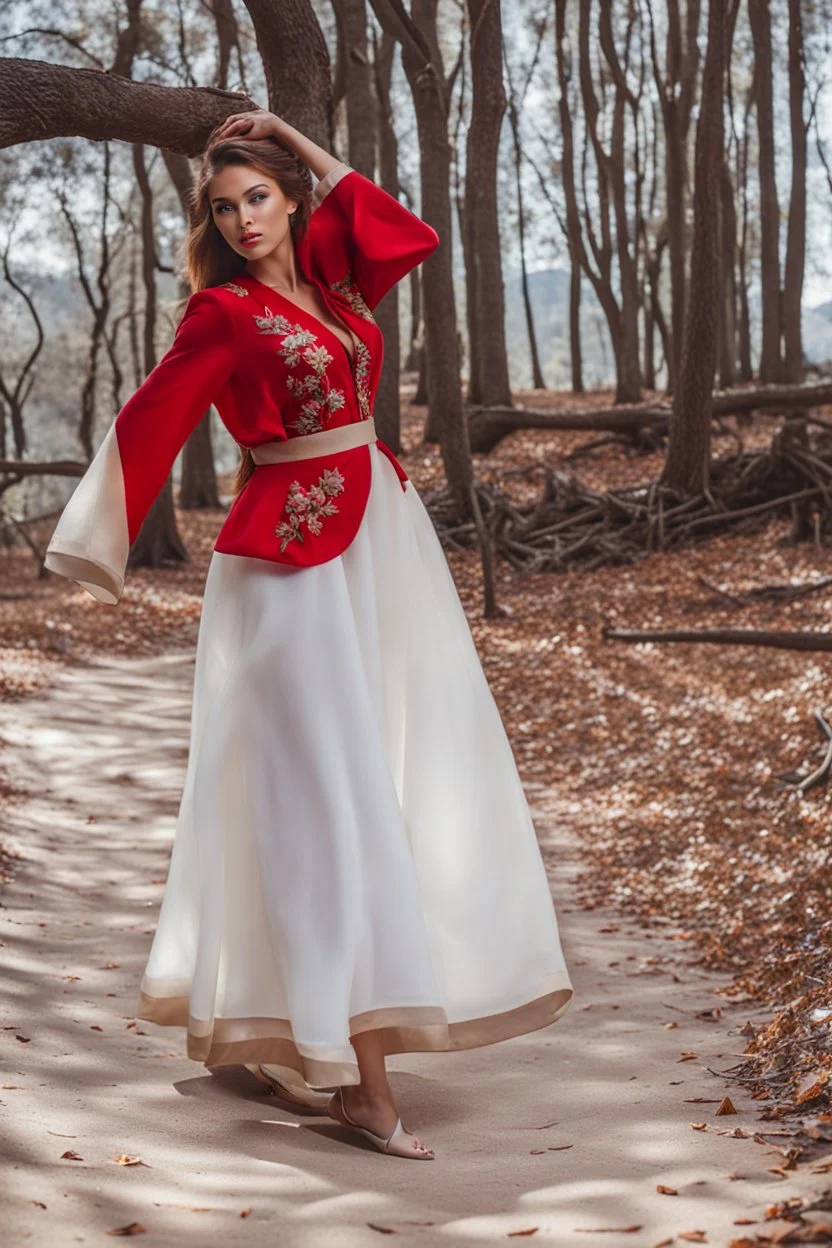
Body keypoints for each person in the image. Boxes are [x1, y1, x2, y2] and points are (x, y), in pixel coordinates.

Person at [44, 109, 573, 1161]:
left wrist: (297, 138)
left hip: (379, 548)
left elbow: (405, 234)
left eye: (259, 196)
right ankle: (363, 1086)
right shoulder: (224, 314)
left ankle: (276, 1025)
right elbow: (152, 413)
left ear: (291, 200)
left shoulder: (334, 285)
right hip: (283, 572)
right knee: (323, 797)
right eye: (224, 205)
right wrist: (91, 544)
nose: (242, 219)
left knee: (381, 775)